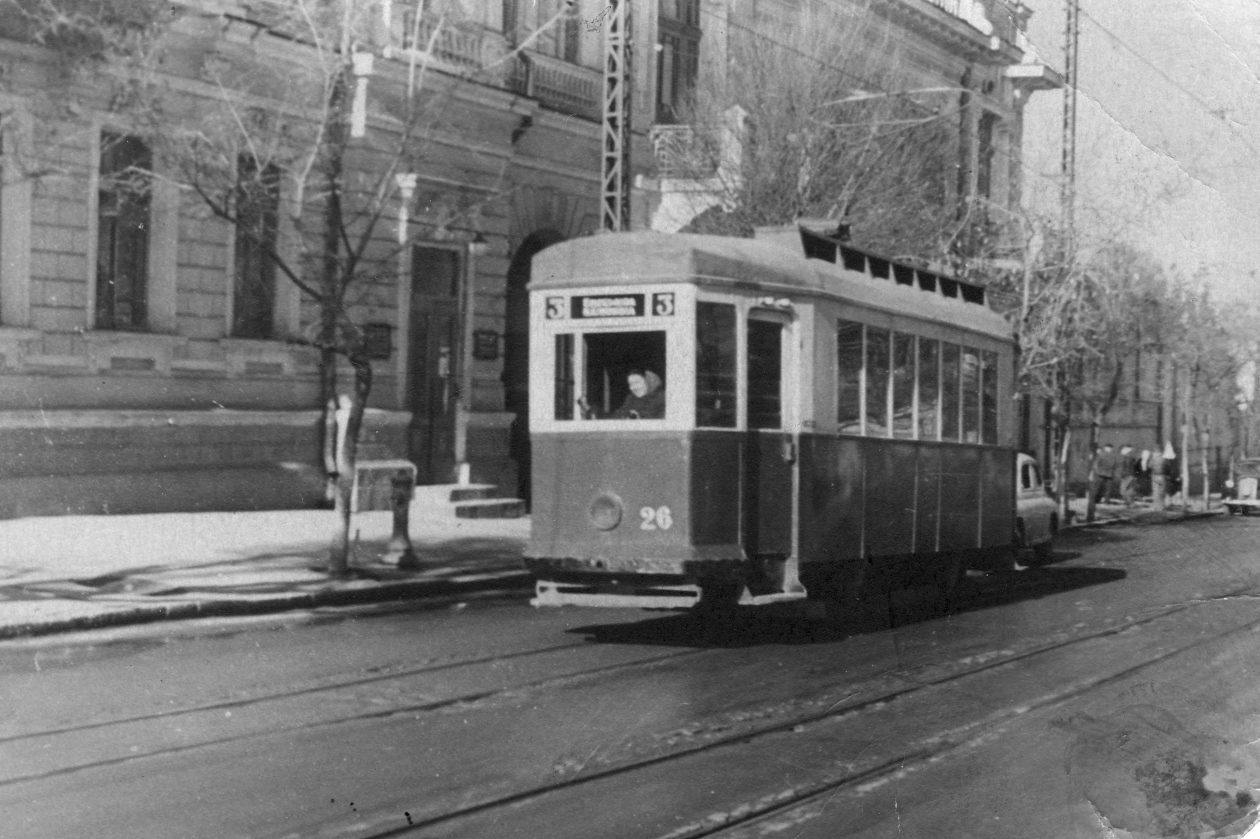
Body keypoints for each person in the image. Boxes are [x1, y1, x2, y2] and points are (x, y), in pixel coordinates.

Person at [1150, 445, 1166, 510]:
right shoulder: (1163, 458)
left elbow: (1150, 466)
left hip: (1155, 476)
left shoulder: (1153, 459)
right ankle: (1161, 506)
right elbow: (1166, 466)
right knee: (1161, 491)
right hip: (1162, 476)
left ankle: (1156, 506)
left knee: (1155, 492)